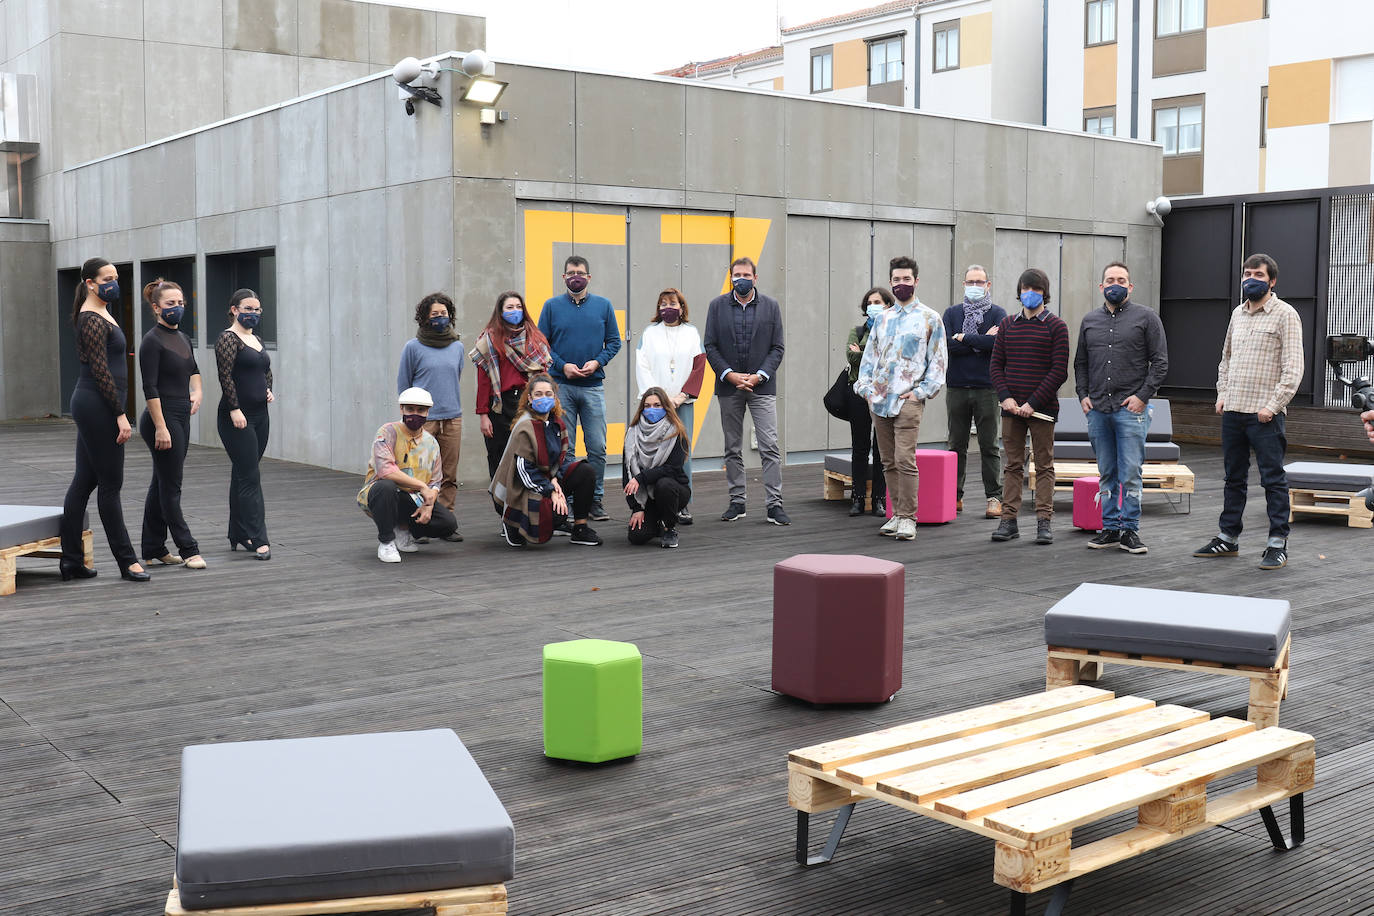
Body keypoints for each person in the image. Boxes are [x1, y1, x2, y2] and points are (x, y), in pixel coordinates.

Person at [1193, 253, 1304, 571]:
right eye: (1246, 274)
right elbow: (1225, 358)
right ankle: (1227, 538)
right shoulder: (1237, 314)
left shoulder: (1285, 315)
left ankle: (1277, 544)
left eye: (1258, 274)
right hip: (1233, 412)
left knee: (1273, 480)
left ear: (1272, 281)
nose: (1250, 279)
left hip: (1265, 416)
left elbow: (1293, 368)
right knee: (1233, 479)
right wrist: (1222, 394)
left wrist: (1272, 406)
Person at [58, 258, 148, 582]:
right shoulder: (91, 318)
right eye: (106, 277)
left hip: (96, 404)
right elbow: (100, 371)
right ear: (89, 283)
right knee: (110, 485)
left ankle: (70, 561)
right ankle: (128, 562)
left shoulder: (102, 312)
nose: (113, 281)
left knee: (84, 481)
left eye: (115, 276)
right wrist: (121, 415)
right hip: (98, 405)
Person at [1075, 262, 1169, 555]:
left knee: (1130, 472)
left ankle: (1130, 529)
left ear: (1130, 286)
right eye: (1110, 280)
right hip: (1099, 409)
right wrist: (1082, 395)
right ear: (1101, 286)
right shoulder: (1090, 320)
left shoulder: (1147, 318)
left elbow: (1161, 362)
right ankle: (1110, 528)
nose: (1115, 284)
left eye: (1121, 280)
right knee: (1106, 472)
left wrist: (1142, 396)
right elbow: (1080, 363)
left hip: (1131, 410)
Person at [855, 256, 948, 542]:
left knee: (905, 459)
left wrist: (920, 393)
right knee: (887, 461)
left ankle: (909, 517)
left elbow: (938, 362)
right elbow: (869, 359)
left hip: (908, 399)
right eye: (896, 280)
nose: (901, 284)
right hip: (879, 402)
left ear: (916, 281)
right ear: (891, 282)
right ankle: (896, 514)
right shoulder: (881, 318)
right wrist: (866, 390)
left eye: (907, 279)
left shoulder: (930, 318)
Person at [703, 256, 788, 525]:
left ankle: (774, 504)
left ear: (755, 278)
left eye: (747, 275)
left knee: (770, 446)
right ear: (731, 277)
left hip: (762, 387)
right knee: (732, 446)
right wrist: (729, 375)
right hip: (729, 387)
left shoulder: (771, 307)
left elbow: (777, 348)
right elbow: (711, 345)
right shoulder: (716, 307)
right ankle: (737, 501)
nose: (742, 279)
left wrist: (759, 375)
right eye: (737, 275)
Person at [989, 268, 1069, 545]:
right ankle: (1008, 521)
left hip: (1042, 410)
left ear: (1045, 293)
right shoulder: (1008, 324)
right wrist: (1006, 398)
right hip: (1011, 409)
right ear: (1019, 292)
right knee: (1012, 465)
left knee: (1044, 466)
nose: (1030, 293)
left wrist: (1031, 403)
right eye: (1025, 288)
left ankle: (1044, 522)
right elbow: (996, 365)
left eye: (1035, 289)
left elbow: (1059, 371)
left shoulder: (1057, 326)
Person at [538, 256, 621, 522]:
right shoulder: (551, 307)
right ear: (563, 277)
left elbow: (614, 342)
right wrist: (563, 366)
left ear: (589, 276)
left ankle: (595, 499)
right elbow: (542, 346)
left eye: (581, 273)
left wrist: (598, 361)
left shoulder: (603, 306)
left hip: (593, 386)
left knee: (597, 446)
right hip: (561, 387)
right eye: (571, 273)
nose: (576, 276)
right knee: (566, 449)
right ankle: (572, 499)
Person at [137, 278, 206, 570]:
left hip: (181, 414)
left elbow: (194, 370)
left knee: (162, 482)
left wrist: (198, 391)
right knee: (171, 486)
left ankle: (153, 547)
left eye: (180, 303)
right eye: (170, 304)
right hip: (160, 418)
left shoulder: (183, 338)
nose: (176, 308)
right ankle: (188, 548)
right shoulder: (151, 341)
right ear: (156, 307)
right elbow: (149, 388)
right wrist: (161, 427)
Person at [490, 372, 602, 548]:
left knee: (585, 471)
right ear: (529, 398)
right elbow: (524, 472)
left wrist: (555, 479)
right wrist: (551, 490)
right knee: (554, 515)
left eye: (548, 394)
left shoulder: (557, 423)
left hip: (546, 481)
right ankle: (512, 521)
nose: (544, 398)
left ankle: (580, 528)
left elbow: (562, 459)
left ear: (555, 397)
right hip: (519, 490)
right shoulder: (525, 426)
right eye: (539, 394)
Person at [358, 387, 459, 563]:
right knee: (386, 487)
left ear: (428, 412)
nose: (415, 414)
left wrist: (428, 504)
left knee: (447, 523)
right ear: (401, 409)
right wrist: (421, 486)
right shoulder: (388, 431)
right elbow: (386, 471)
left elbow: (435, 482)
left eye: (421, 410)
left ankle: (403, 529)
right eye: (410, 409)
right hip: (379, 492)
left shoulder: (431, 443)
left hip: (412, 498)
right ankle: (386, 541)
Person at [634, 288, 705, 524]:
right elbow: (642, 365)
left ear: (682, 307)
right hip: (655, 406)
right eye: (662, 303)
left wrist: (681, 396)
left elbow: (699, 366)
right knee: (653, 452)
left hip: (682, 404)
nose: (667, 307)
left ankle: (681, 504)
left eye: (672, 303)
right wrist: (660, 400)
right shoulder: (650, 333)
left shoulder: (691, 333)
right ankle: (652, 502)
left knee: (681, 454)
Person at [397, 292, 464, 541]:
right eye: (434, 314)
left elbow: (455, 378)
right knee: (418, 474)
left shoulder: (457, 346)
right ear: (424, 317)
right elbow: (404, 384)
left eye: (443, 313)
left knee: (449, 473)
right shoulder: (413, 347)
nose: (439, 318)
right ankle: (418, 524)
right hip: (424, 420)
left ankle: (444, 523)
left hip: (452, 417)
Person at [942, 265, 1007, 519]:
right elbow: (947, 346)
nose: (975, 286)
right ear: (963, 284)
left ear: (988, 285)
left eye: (980, 282)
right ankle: (954, 496)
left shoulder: (998, 313)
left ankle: (994, 497)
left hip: (987, 389)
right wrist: (979, 340)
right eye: (971, 281)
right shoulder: (951, 313)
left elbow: (998, 343)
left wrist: (963, 338)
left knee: (989, 445)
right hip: (957, 387)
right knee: (955, 445)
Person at [215, 288, 274, 560]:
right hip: (236, 417)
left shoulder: (256, 339)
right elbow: (225, 376)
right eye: (247, 308)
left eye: (257, 309)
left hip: (261, 415)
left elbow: (265, 370)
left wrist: (269, 389)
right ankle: (259, 539)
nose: (253, 313)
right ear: (234, 309)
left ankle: (237, 532)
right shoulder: (228, 339)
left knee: (243, 472)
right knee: (250, 476)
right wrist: (235, 408)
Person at [470, 291, 553, 479]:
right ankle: (502, 504)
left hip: (529, 402)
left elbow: (543, 375)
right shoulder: (488, 340)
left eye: (518, 307)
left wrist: (547, 403)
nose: (515, 311)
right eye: (509, 307)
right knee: (498, 455)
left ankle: (526, 501)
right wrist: (483, 415)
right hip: (500, 406)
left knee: (529, 452)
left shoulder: (535, 338)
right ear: (500, 312)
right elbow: (484, 381)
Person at [623, 388, 692, 548]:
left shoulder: (677, 432)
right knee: (637, 537)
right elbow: (627, 474)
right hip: (648, 498)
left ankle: (669, 528)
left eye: (657, 405)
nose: (651, 410)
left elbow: (672, 469)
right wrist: (636, 508)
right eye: (647, 406)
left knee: (664, 484)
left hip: (674, 491)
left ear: (666, 407)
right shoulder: (632, 433)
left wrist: (641, 478)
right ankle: (656, 522)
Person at [844, 288, 892, 517]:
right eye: (870, 302)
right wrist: (869, 353)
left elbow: (890, 357)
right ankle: (857, 498)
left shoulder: (892, 329)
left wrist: (862, 351)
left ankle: (879, 500)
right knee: (859, 447)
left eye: (878, 301)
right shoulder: (858, 330)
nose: (873, 305)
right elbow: (850, 356)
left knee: (881, 449)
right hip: (859, 393)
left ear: (887, 305)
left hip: (883, 394)